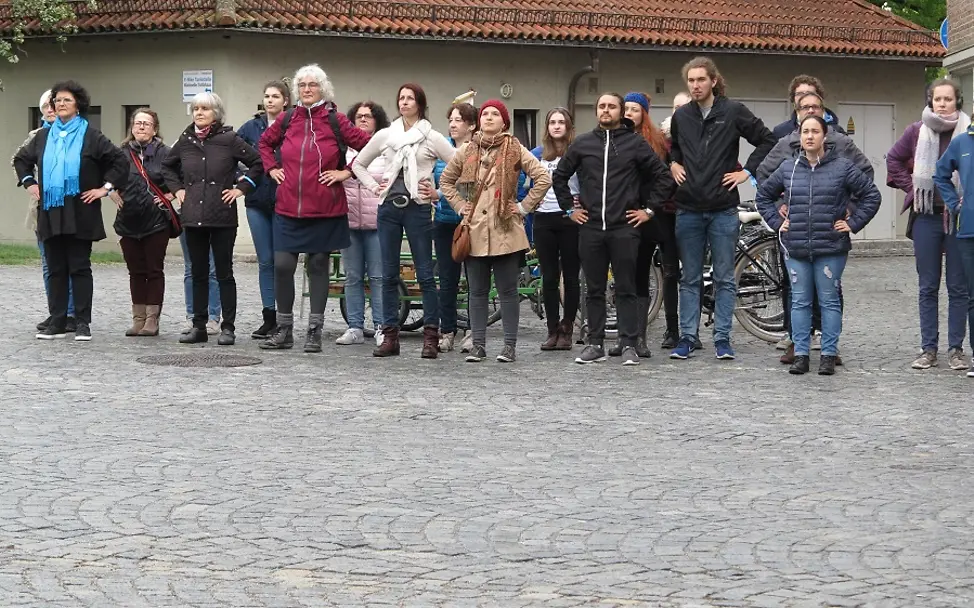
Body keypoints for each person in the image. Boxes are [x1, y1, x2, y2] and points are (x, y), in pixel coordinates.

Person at [552, 92, 674, 366]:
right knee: (593, 288)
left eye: (611, 106)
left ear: (621, 112)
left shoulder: (635, 144)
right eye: (601, 106)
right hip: (591, 227)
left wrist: (649, 210)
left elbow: (663, 177)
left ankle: (629, 344)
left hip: (624, 228)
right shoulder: (583, 144)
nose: (606, 110)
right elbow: (559, 176)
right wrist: (569, 210)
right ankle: (594, 343)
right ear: (596, 112)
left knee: (626, 288)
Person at [256, 64, 372, 353]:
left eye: (313, 85)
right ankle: (284, 331)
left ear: (323, 88)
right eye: (303, 85)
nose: (307, 89)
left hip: (325, 209)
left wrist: (346, 172)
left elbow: (371, 146)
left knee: (318, 266)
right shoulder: (287, 119)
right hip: (287, 208)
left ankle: (314, 332)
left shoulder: (336, 120)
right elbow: (263, 144)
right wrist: (272, 168)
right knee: (283, 266)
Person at [668, 56, 777, 361]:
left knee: (725, 277)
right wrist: (674, 163)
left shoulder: (733, 111)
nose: (695, 85)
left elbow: (767, 140)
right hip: (688, 207)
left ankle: (723, 339)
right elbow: (674, 146)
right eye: (690, 81)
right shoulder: (682, 116)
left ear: (713, 81)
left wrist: (748, 172)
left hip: (722, 209)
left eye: (701, 79)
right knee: (689, 277)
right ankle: (688, 338)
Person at [757, 115, 881, 375]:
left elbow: (871, 195)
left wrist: (853, 222)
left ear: (825, 136)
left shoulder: (843, 167)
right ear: (799, 136)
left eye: (815, 131)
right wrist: (776, 221)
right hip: (796, 245)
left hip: (831, 247)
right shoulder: (788, 168)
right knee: (800, 301)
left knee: (829, 300)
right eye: (805, 132)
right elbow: (764, 196)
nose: (810, 136)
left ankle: (828, 353)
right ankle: (801, 353)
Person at [14, 80, 128, 342]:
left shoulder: (92, 136)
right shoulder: (43, 136)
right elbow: (22, 159)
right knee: (54, 267)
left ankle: (82, 322)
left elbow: (119, 161)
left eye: (66, 100)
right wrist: (30, 183)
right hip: (51, 209)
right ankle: (56, 321)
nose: (61, 104)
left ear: (78, 105)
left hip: (80, 209)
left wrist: (105, 189)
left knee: (79, 267)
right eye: (57, 101)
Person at [440, 100, 551, 362]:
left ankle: (509, 347)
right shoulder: (467, 150)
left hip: (506, 231)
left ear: (504, 121)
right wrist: (459, 206)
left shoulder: (515, 148)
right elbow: (445, 180)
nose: (489, 117)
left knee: (508, 291)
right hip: (475, 229)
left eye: (495, 114)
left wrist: (523, 207)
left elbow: (543, 178)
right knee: (477, 291)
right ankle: (478, 345)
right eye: (485, 114)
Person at [351, 83, 456, 359]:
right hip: (388, 208)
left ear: (420, 103)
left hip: (418, 208)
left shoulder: (431, 137)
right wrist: (375, 188)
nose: (405, 102)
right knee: (388, 274)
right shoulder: (386, 135)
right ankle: (390, 336)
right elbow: (358, 165)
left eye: (410, 98)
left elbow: (461, 166)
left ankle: (431, 336)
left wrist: (439, 192)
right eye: (401, 98)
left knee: (424, 274)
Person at [162, 91, 263, 346]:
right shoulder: (185, 140)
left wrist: (241, 189)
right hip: (193, 216)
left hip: (222, 216)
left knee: (223, 273)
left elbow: (257, 163)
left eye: (205, 109)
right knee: (198, 273)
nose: (199, 113)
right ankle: (199, 326)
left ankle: (228, 327)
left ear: (215, 113)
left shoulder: (229, 139)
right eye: (196, 108)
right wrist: (178, 190)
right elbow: (167, 166)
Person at [889, 78, 971, 372]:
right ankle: (928, 349)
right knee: (928, 286)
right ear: (930, 101)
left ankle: (956, 349)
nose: (943, 104)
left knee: (959, 286)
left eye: (948, 99)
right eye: (938, 99)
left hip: (960, 218)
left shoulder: (968, 131)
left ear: (957, 102)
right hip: (927, 216)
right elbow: (894, 161)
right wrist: (912, 190)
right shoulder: (916, 131)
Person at [613, 91, 680, 356]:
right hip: (621, 217)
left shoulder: (657, 144)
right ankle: (623, 336)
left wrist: (650, 208)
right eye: (625, 109)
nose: (629, 113)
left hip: (649, 218)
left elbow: (664, 179)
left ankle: (638, 337)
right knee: (622, 277)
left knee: (643, 275)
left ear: (644, 113)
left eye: (634, 109)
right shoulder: (615, 141)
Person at [12, 90, 77, 334]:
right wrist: (30, 182)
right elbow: (17, 161)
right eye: (46, 106)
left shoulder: (77, 134)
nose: (51, 110)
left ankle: (71, 313)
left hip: (69, 207)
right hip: (43, 209)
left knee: (71, 263)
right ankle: (55, 312)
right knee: (49, 264)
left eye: (55, 105)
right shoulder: (36, 136)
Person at [518, 106, 580, 351]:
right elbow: (522, 183)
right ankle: (552, 329)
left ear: (568, 126)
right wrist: (529, 201)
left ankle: (567, 328)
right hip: (544, 219)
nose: (556, 126)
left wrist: (582, 201)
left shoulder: (577, 152)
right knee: (549, 276)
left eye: (561, 122)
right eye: (552, 122)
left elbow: (589, 180)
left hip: (570, 220)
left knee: (571, 276)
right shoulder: (537, 153)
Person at [238, 81, 291, 340]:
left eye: (275, 96)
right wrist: (243, 179)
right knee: (266, 262)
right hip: (257, 201)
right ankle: (268, 316)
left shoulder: (293, 126)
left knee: (283, 262)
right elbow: (231, 154)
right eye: (267, 96)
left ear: (286, 101)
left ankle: (284, 318)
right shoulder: (251, 128)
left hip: (286, 202)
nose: (270, 100)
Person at [336, 100, 391, 346]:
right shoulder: (343, 149)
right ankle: (355, 327)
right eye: (359, 116)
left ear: (377, 120)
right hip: (348, 220)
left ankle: (382, 325)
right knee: (353, 276)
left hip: (377, 222)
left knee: (378, 277)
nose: (363, 120)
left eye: (368, 116)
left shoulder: (385, 148)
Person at [113, 108, 172, 337]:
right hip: (128, 221)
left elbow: (180, 179)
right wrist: (111, 192)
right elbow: (107, 177)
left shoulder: (165, 153)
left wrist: (169, 196)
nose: (141, 127)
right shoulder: (121, 154)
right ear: (131, 127)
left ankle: (151, 320)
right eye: (138, 123)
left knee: (154, 270)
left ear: (155, 128)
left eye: (146, 123)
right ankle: (137, 319)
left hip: (156, 221)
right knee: (135, 271)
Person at [934, 107, 974, 380]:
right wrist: (953, 203)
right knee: (973, 297)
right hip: (969, 230)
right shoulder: (962, 142)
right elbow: (940, 174)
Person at [434, 101, 477, 353]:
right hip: (444, 223)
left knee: (474, 280)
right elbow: (437, 183)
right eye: (450, 119)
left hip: (472, 224)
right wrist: (432, 192)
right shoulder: (442, 151)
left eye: (458, 119)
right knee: (447, 280)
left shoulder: (479, 151)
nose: (452, 124)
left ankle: (473, 330)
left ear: (471, 125)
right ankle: (447, 330)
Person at [771, 75, 844, 140]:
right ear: (793, 100)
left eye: (810, 93)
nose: (804, 97)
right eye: (800, 94)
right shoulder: (781, 132)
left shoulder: (837, 132)